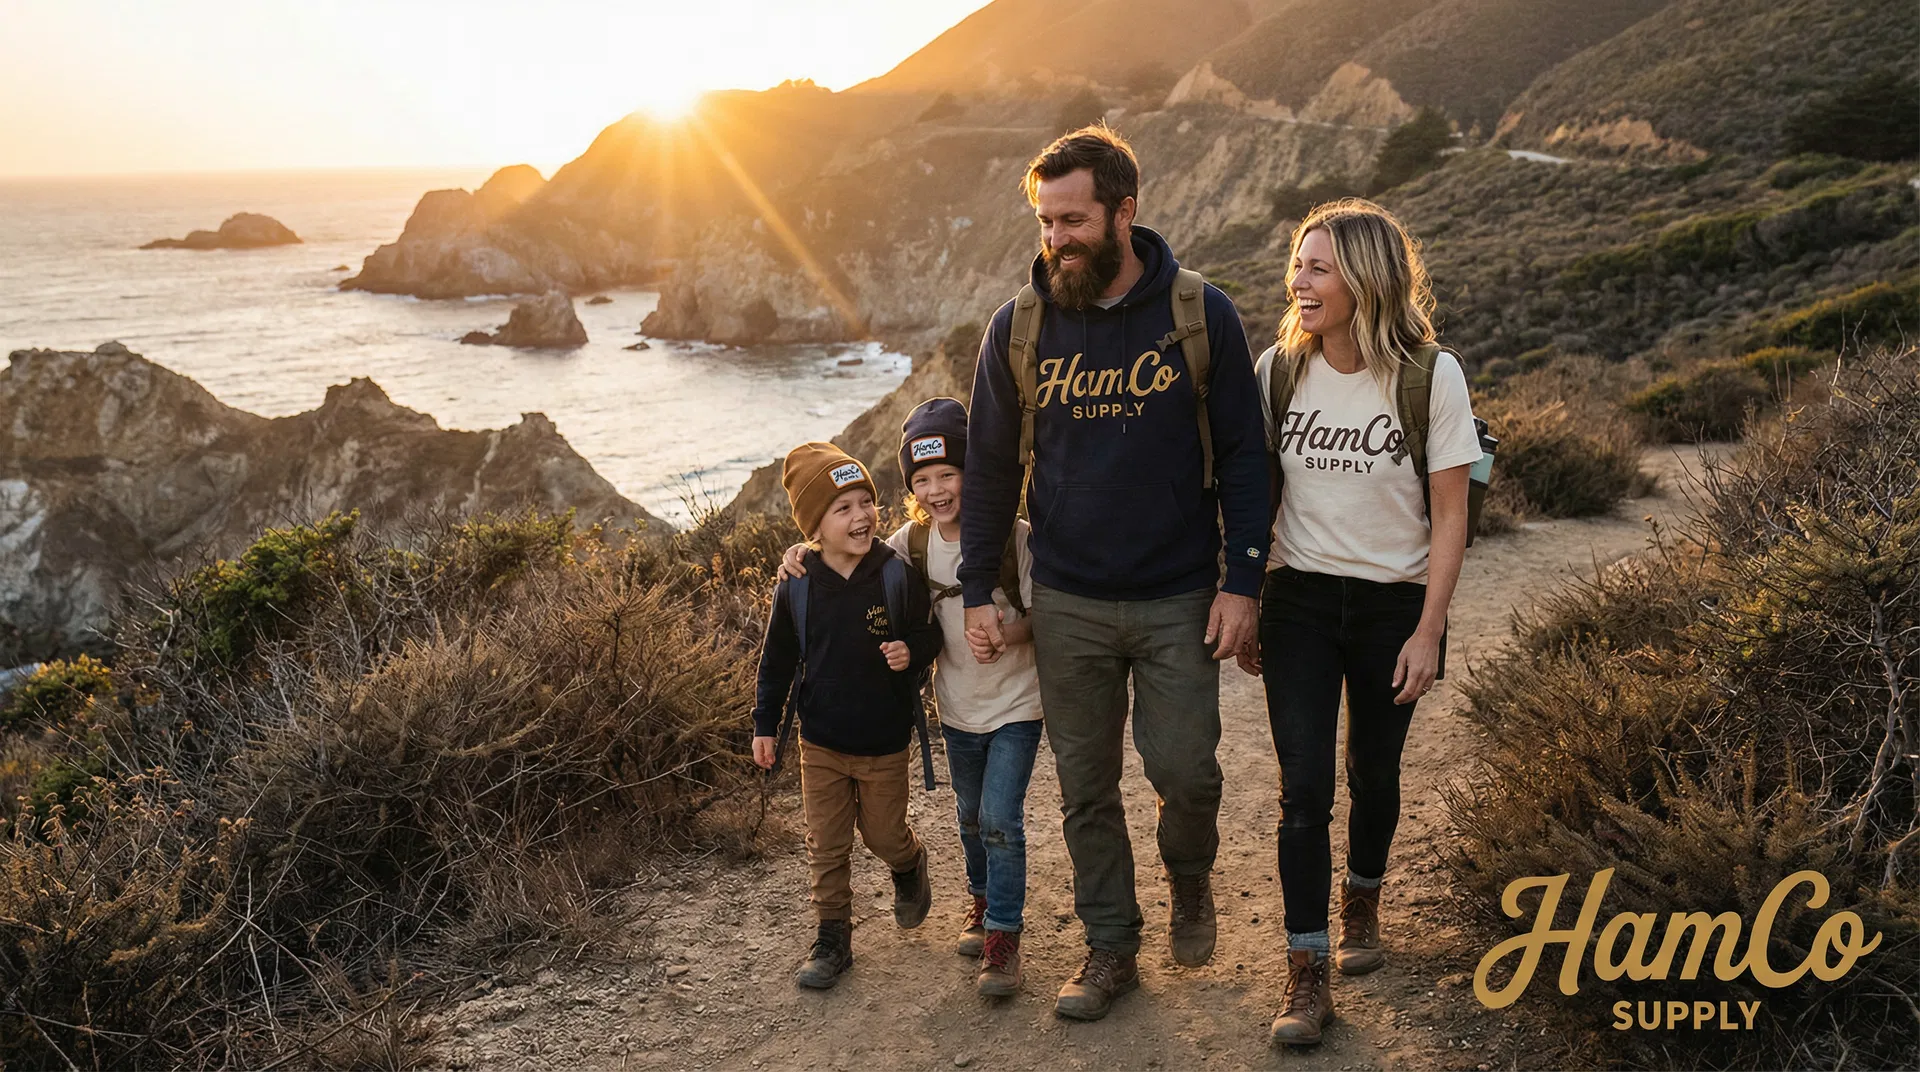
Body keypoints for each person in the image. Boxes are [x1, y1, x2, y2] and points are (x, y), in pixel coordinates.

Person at [959, 125, 1273, 1022]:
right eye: (1044, 221)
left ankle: (1190, 878)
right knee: (1086, 787)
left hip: (1180, 595)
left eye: (1072, 219)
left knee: (1187, 774)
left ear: (1124, 212)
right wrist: (984, 584)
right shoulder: (1017, 327)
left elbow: (1247, 460)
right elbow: (987, 469)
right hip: (1067, 601)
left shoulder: (1198, 312)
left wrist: (1242, 582)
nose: (1055, 238)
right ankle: (1109, 946)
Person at [1243, 200, 1480, 1045]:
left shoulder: (1430, 375)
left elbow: (1450, 515)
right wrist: (1243, 594)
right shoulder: (1278, 369)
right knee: (1302, 788)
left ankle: (1363, 898)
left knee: (1373, 773)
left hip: (1392, 603)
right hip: (1300, 598)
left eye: (1317, 268)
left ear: (1366, 279)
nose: (1296, 282)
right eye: (1297, 266)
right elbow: (1258, 494)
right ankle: (1306, 970)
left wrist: (1428, 629)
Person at [777, 399, 1044, 998]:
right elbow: (851, 552)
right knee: (972, 819)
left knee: (1000, 819)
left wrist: (1008, 633)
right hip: (956, 710)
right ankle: (980, 905)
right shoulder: (910, 545)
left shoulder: (1014, 537)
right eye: (922, 480)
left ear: (974, 472)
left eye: (948, 473)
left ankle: (1004, 939)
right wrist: (798, 553)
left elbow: (1046, 613)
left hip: (1018, 706)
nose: (937, 489)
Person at [750, 442, 942, 990]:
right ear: (815, 525)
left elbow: (929, 633)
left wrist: (911, 650)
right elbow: (778, 658)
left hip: (883, 741)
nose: (861, 516)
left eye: (866, 502)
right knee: (826, 843)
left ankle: (908, 864)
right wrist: (765, 724)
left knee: (883, 836)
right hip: (822, 742)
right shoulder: (799, 583)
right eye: (843, 508)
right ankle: (832, 937)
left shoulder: (896, 574)